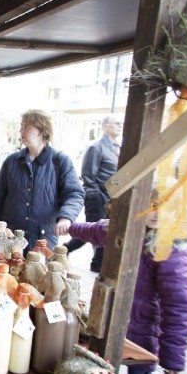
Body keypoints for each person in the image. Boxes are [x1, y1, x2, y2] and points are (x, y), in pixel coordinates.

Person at [67, 191, 187, 374]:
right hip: (107, 321)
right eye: (150, 204)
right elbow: (93, 230)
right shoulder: (121, 229)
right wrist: (69, 226)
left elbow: (179, 305)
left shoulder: (168, 248)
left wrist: (173, 358)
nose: (155, 212)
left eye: (163, 205)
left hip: (143, 332)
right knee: (99, 373)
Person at [0, 109, 84, 253]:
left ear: (42, 130)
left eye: (27, 127)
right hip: (8, 238)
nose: (21, 131)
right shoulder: (12, 161)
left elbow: (74, 193)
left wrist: (66, 217)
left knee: (38, 268)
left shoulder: (60, 161)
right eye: (21, 127)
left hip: (42, 240)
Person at [64, 114, 122, 272]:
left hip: (111, 198)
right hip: (98, 198)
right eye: (116, 123)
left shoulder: (116, 147)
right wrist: (96, 196)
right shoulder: (96, 147)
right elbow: (88, 176)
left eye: (120, 123)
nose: (120, 126)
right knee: (94, 230)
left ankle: (95, 262)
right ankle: (69, 250)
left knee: (103, 230)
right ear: (105, 126)